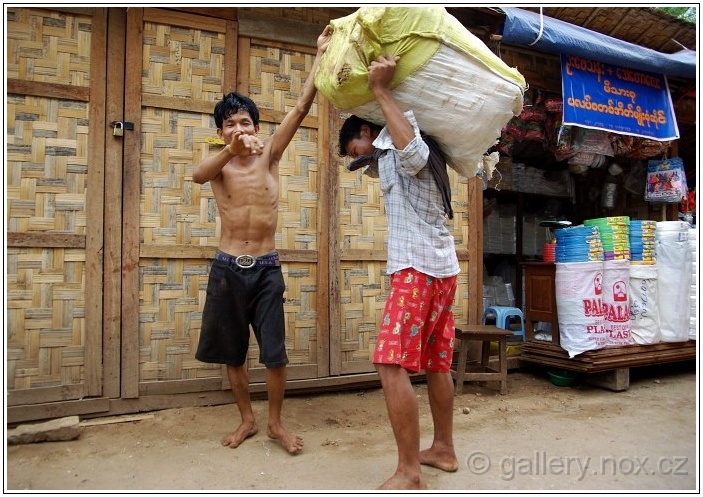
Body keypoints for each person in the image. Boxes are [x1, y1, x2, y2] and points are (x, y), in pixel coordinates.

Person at [193, 25, 332, 455]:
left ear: (256, 126)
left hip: (267, 269)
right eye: (231, 124)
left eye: (246, 121)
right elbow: (198, 175)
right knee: (234, 355)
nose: (240, 129)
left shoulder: (270, 154)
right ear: (221, 132)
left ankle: (274, 424)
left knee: (275, 353)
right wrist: (229, 152)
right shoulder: (218, 164)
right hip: (227, 269)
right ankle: (247, 420)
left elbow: (302, 105)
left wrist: (320, 55)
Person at [338, 54, 460, 489]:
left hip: (418, 270)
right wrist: (364, 159)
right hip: (442, 269)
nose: (361, 158)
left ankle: (409, 470)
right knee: (437, 363)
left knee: (390, 364)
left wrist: (380, 90)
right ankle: (442, 449)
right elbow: (382, 160)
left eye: (357, 147)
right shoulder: (387, 151)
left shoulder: (400, 139)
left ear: (366, 131)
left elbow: (410, 153)